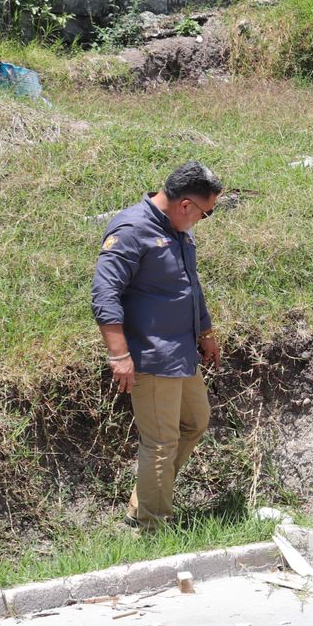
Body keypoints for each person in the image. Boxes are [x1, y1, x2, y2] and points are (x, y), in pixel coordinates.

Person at [91, 160, 223, 529]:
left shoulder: (177, 229)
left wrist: (206, 333)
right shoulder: (132, 230)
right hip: (152, 355)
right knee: (161, 443)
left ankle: (144, 499)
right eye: (205, 213)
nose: (203, 219)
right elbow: (104, 294)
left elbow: (189, 286)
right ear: (185, 205)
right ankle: (151, 525)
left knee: (195, 423)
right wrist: (118, 355)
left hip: (182, 352)